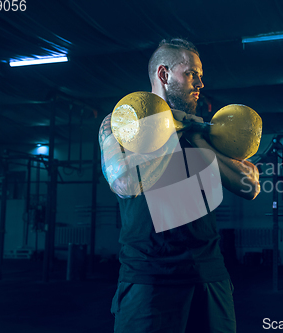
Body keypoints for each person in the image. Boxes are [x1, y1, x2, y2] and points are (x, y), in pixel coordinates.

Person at [99, 38, 260, 333]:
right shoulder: (123, 122)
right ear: (163, 75)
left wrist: (196, 136)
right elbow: (123, 182)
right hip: (150, 279)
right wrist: (170, 128)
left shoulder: (200, 130)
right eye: (190, 73)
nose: (199, 82)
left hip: (209, 276)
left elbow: (250, 185)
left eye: (200, 74)